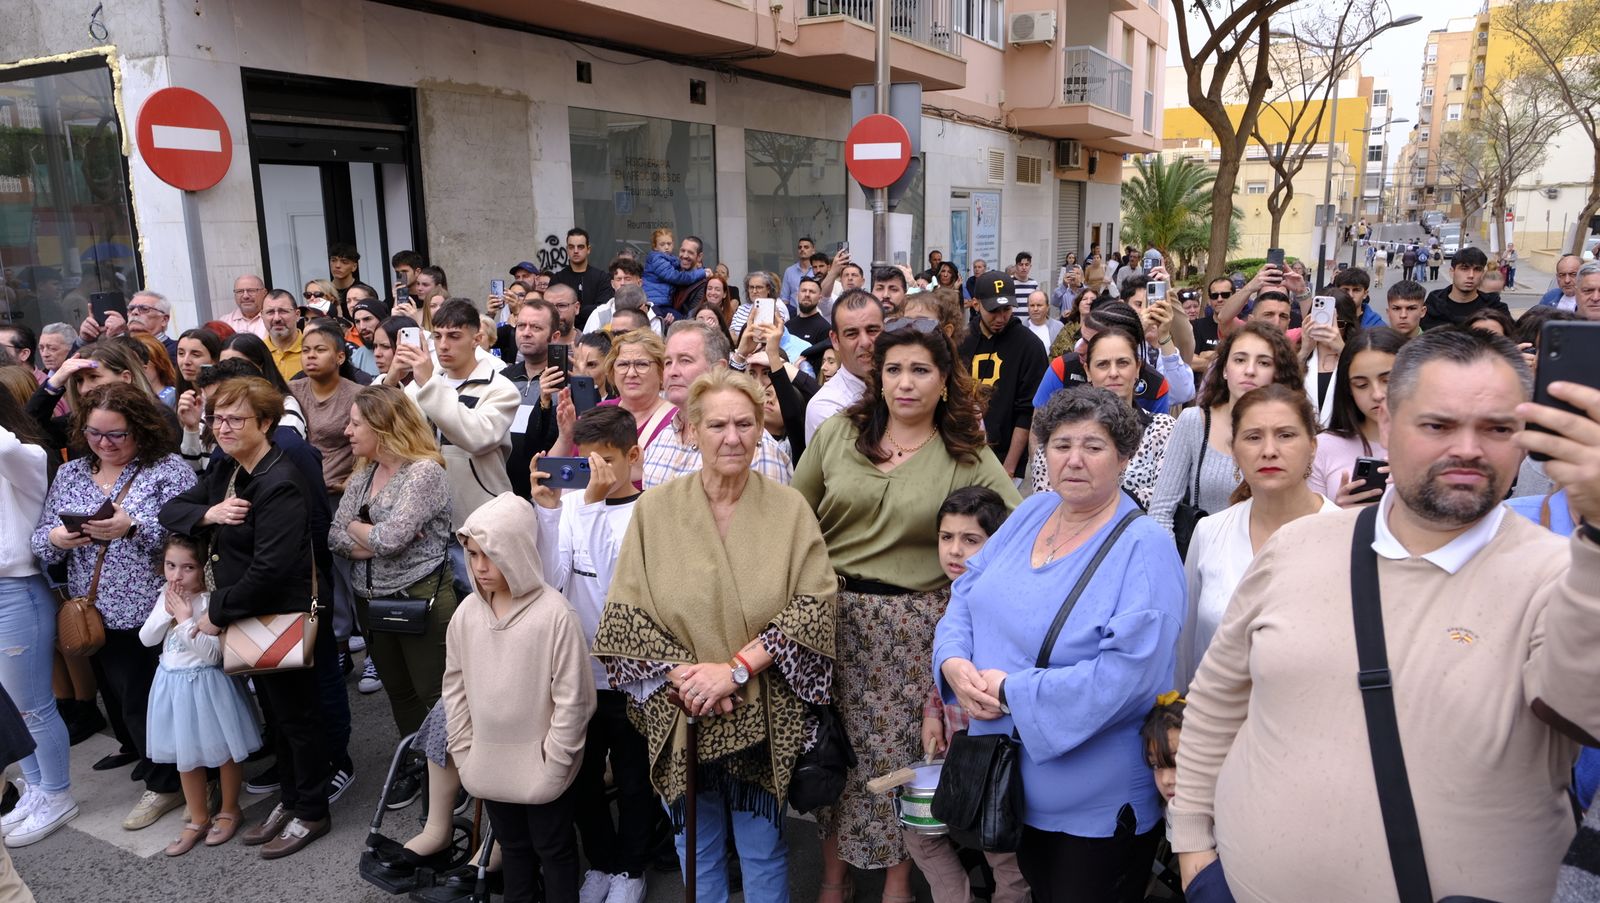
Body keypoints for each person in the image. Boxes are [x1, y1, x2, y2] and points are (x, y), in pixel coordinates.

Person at [1170, 328, 1600, 902]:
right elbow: (1215, 707)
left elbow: (1586, 708)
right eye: (1438, 425)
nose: (1468, 448)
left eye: (1497, 428)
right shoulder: (1294, 550)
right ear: (1388, 425)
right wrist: (1195, 852)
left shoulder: (1565, 576)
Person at [593, 368, 837, 903]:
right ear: (692, 429)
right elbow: (625, 611)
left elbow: (815, 605)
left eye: (746, 424)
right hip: (680, 706)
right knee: (694, 849)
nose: (733, 437)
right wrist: (688, 678)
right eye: (719, 424)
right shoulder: (654, 509)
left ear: (760, 430)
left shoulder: (790, 508)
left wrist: (734, 671)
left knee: (763, 849)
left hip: (761, 703)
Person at [933, 385, 1185, 900]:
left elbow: (1129, 679)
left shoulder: (1146, 548)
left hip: (1094, 808)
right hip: (1011, 787)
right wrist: (954, 662)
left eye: (1093, 446)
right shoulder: (1030, 512)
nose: (1074, 460)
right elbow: (965, 593)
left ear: (1124, 456)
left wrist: (1012, 693)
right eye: (1061, 444)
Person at [794, 327, 1020, 902]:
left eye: (920, 370)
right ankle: (833, 880)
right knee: (832, 752)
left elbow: (1018, 530)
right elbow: (793, 516)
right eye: (893, 369)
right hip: (831, 619)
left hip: (913, 628)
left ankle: (898, 885)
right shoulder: (839, 434)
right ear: (878, 377)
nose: (905, 382)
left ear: (945, 381)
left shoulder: (965, 453)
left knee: (903, 760)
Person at [157, 376, 331, 859]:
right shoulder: (231, 471)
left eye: (237, 419)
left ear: (268, 423)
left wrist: (215, 611)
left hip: (276, 615)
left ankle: (312, 810)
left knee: (298, 718)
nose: (224, 428)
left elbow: (272, 570)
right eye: (218, 418)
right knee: (277, 717)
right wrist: (210, 515)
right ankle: (293, 800)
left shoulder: (280, 481)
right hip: (247, 616)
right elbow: (172, 509)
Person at [32, 382, 195, 831]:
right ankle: (164, 770)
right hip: (94, 612)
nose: (104, 444)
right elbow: (40, 540)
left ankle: (167, 785)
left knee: (150, 702)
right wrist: (57, 540)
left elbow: (190, 537)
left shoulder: (168, 470)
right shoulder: (71, 473)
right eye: (93, 433)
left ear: (139, 428)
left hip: (155, 610)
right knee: (126, 701)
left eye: (116, 435)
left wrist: (134, 528)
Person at [443, 492, 594, 903]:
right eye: (472, 554)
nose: (479, 567)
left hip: (544, 767)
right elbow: (453, 686)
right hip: (486, 764)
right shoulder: (466, 615)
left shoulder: (555, 615)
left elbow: (574, 700)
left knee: (555, 851)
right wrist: (465, 751)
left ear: (517, 550)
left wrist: (555, 762)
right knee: (512, 852)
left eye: (490, 555)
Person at [530, 406, 653, 902]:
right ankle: (601, 862)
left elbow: (615, 588)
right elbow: (551, 581)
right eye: (585, 463)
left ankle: (632, 869)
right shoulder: (578, 505)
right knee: (580, 778)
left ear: (633, 456)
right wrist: (549, 510)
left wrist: (595, 505)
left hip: (630, 675)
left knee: (633, 779)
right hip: (577, 672)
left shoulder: (647, 512)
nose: (593, 474)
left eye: (605, 461)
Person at [910, 487, 1031, 903]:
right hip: (954, 747)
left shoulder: (1006, 596)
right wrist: (933, 710)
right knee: (920, 831)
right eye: (946, 537)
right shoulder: (947, 594)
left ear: (994, 542)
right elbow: (947, 663)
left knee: (1003, 853)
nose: (955, 551)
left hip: (998, 749)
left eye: (970, 539)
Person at [1176, 385, 1337, 689]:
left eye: (1286, 435)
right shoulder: (1210, 532)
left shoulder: (1345, 537)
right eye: (1253, 437)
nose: (1269, 450)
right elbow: (1186, 650)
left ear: (1313, 446)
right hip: (1218, 724)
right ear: (1234, 450)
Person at [328, 384, 454, 736]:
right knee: (399, 693)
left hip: (417, 598)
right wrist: (371, 536)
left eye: (355, 424)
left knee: (435, 694)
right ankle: (414, 762)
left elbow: (390, 538)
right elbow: (334, 537)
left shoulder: (423, 472)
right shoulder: (365, 471)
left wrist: (359, 528)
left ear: (384, 427)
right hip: (369, 601)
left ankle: (448, 773)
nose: (346, 432)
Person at [140, 533, 262, 856]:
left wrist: (184, 619)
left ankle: (230, 808)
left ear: (204, 567)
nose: (176, 576)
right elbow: (146, 638)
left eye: (187, 567)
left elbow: (211, 654)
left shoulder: (211, 601)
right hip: (173, 686)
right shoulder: (165, 597)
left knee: (224, 751)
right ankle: (197, 818)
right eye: (170, 566)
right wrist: (168, 613)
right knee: (186, 755)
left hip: (208, 685)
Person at [0, 389, 75, 848]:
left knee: (32, 704)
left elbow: (7, 448)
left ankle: (58, 793)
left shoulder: (23, 454)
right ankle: (36, 789)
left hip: (18, 591)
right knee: (11, 704)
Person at [1148, 323, 1303, 533]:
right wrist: (1174, 564)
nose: (1249, 371)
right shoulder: (1194, 421)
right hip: (1200, 558)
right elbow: (1161, 510)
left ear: (1278, 373)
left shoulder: (1294, 431)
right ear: (1224, 370)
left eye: (1264, 362)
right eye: (1240, 360)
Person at [396, 299, 520, 537]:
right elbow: (396, 441)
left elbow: (477, 437)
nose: (443, 345)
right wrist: (392, 377)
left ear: (476, 339)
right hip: (428, 523)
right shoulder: (422, 385)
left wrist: (429, 385)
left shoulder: (501, 389)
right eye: (437, 336)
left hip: (482, 521)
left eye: (454, 336)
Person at [1029, 324, 1177, 507]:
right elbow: (1045, 500)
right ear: (1088, 371)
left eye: (1123, 363)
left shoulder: (1163, 429)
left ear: (1138, 367)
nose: (1113, 373)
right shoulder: (1059, 429)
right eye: (1102, 364)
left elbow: (1165, 498)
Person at [640, 321, 792, 488]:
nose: (672, 372)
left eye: (685, 360)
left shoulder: (753, 447)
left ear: (718, 368)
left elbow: (769, 512)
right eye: (668, 362)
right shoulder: (662, 438)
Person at [961, 273, 1048, 478]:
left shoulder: (1030, 347)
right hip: (960, 456)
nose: (1000, 318)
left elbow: (1028, 412)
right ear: (976, 304)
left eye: (1006, 309)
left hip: (1005, 462)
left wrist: (1009, 468)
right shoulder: (960, 341)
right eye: (993, 310)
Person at [1309, 327, 1405, 507]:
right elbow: (1306, 528)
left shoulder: (1438, 443)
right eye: (1361, 385)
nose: (1377, 394)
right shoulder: (1322, 447)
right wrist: (1336, 514)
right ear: (1349, 390)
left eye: (1388, 380)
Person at [1422, 246, 1510, 330]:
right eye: (1464, 269)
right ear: (1452, 272)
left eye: (1477, 269)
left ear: (1483, 274)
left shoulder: (1495, 309)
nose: (1471, 275)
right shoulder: (1433, 306)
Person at [643, 228, 708, 322]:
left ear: (699, 257)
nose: (684, 256)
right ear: (655, 247)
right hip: (656, 304)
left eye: (690, 252)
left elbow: (692, 318)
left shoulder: (702, 285)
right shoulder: (661, 262)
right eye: (682, 251)